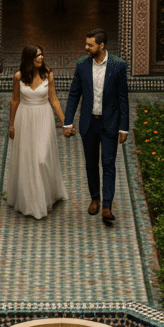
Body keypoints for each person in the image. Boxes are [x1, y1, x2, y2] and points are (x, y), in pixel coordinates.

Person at [63, 28, 129, 226]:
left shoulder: (118, 65)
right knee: (91, 164)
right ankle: (95, 198)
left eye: (90, 45)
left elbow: (123, 98)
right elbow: (74, 94)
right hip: (89, 123)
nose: (86, 47)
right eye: (86, 44)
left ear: (101, 46)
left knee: (108, 164)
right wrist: (68, 121)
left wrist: (123, 127)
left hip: (110, 123)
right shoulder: (82, 64)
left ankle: (107, 206)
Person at [6, 44, 68, 219]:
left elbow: (54, 99)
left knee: (41, 158)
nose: (40, 58)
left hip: (44, 118)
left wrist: (65, 122)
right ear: (28, 59)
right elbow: (14, 101)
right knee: (28, 159)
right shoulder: (18, 77)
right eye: (36, 56)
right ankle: (33, 202)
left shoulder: (47, 75)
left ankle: (49, 193)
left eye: (41, 54)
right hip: (24, 118)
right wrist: (11, 124)